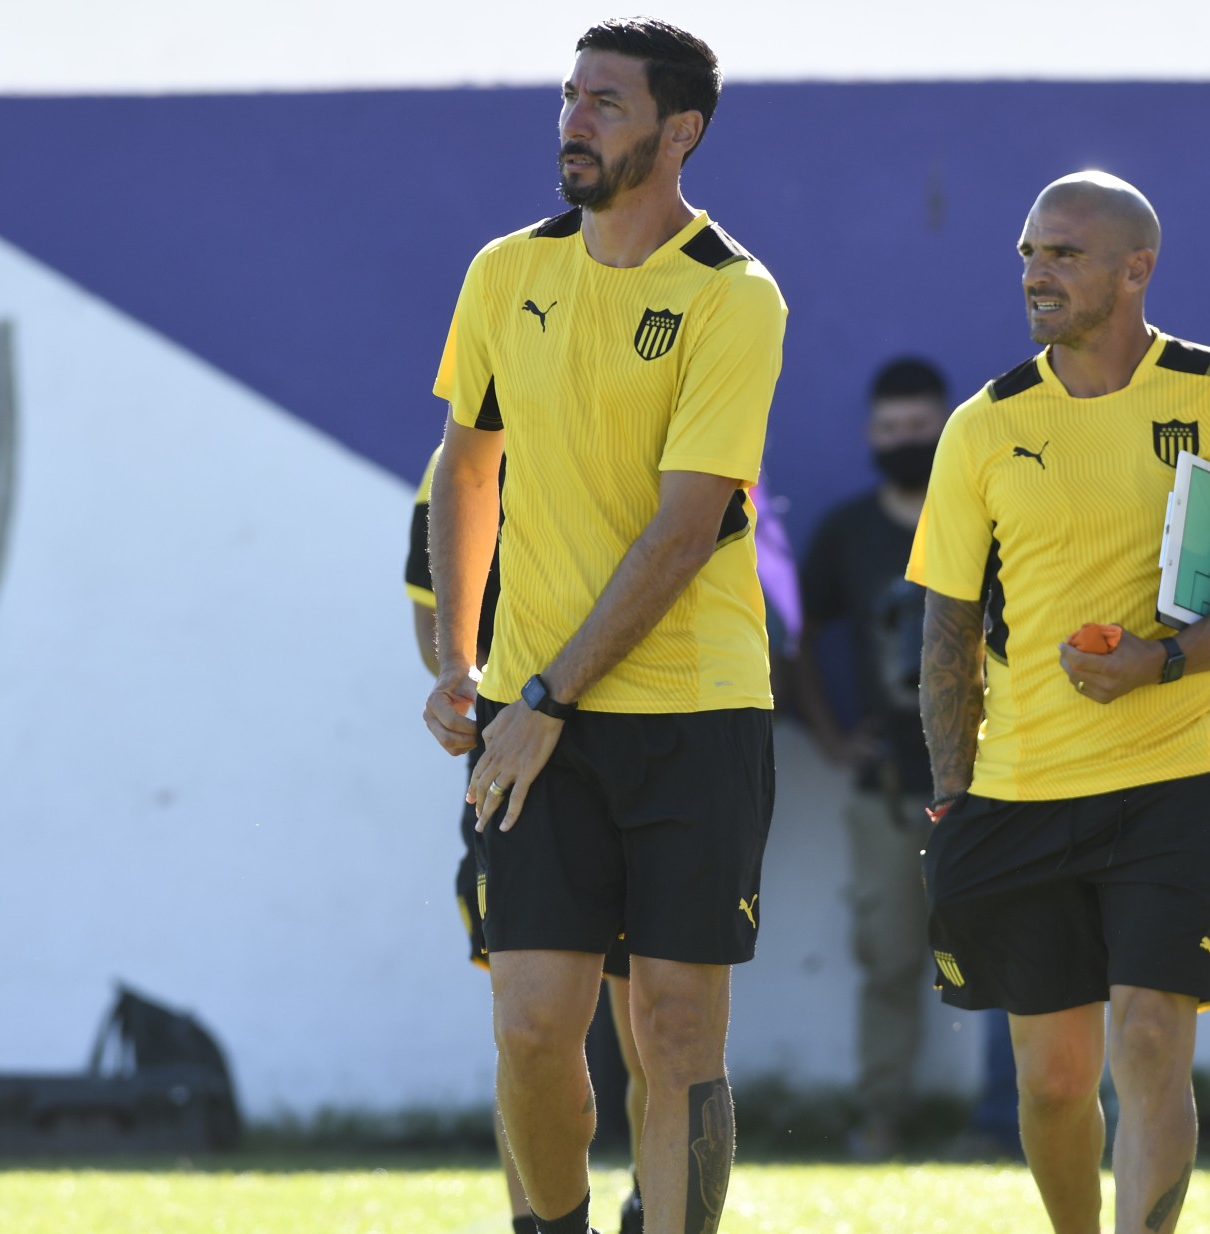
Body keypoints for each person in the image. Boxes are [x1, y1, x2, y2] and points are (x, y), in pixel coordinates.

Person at [419, 19, 787, 1234]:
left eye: (606, 103)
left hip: (692, 712)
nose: (574, 120)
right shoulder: (501, 272)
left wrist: (543, 701)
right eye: (570, 96)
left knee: (675, 1030)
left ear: (678, 132)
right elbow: (467, 472)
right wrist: (461, 664)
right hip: (531, 714)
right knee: (529, 1024)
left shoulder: (733, 295)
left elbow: (686, 530)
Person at [910, 171, 1210, 1234]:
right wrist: (952, 794)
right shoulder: (983, 425)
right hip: (1018, 789)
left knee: (1147, 1038)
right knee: (1051, 1080)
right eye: (1027, 255)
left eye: (1063, 254)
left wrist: (1163, 663)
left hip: (1176, 777)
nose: (1035, 274)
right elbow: (948, 633)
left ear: (1137, 268)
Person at [404, 446, 646, 1234]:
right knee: (530, 1034)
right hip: (514, 771)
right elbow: (433, 608)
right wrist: (463, 681)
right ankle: (535, 1222)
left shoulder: (642, 426)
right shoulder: (461, 459)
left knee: (654, 1024)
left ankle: (652, 1202)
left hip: (650, 752)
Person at [794, 356, 951, 1160]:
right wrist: (829, 735)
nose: (904, 442)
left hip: (992, 780)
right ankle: (881, 1119)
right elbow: (796, 637)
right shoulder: (847, 533)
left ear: (946, 427)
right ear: (869, 435)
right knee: (888, 959)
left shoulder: (978, 517)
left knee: (1028, 955)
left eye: (919, 429)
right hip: (886, 786)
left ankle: (1014, 1121)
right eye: (890, 430)